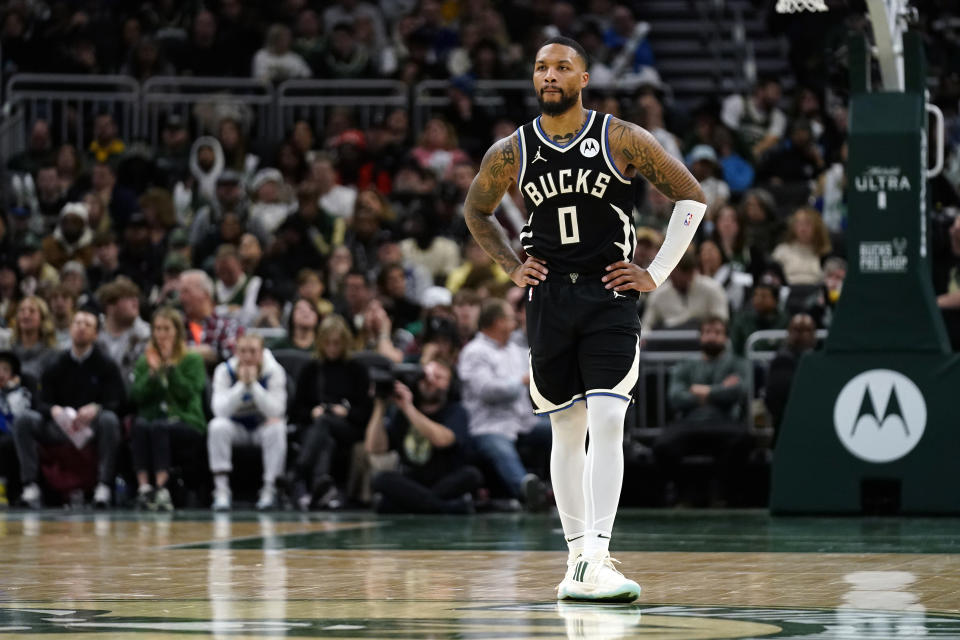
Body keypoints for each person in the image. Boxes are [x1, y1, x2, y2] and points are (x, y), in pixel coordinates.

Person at [462, 36, 706, 602]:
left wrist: (655, 272)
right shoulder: (511, 151)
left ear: (584, 78)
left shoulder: (620, 136)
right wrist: (509, 265)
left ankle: (597, 552)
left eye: (562, 67)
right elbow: (476, 210)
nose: (550, 75)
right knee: (566, 430)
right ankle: (578, 561)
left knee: (608, 420)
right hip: (548, 298)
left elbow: (690, 197)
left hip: (608, 294)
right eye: (542, 67)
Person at [12, 309, 124, 509]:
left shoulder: (106, 365)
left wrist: (96, 408)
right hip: (59, 426)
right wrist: (53, 410)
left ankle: (104, 486)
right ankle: (30, 485)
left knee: (109, 420)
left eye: (87, 324)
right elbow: (41, 402)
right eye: (77, 323)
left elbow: (118, 401)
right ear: (70, 329)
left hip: (91, 428)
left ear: (96, 334)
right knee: (24, 420)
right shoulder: (55, 363)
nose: (81, 328)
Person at [458, 299, 549, 511]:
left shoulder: (515, 350)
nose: (515, 321)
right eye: (509, 317)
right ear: (498, 322)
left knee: (561, 430)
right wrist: (520, 381)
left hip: (522, 420)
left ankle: (569, 484)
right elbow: (486, 390)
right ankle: (528, 491)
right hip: (489, 425)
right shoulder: (474, 352)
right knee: (501, 450)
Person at [654, 316, 751, 506]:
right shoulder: (686, 364)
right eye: (707, 332)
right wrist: (719, 390)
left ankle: (721, 493)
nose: (712, 337)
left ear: (726, 338)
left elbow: (739, 392)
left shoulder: (738, 363)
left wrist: (701, 390)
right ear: (700, 337)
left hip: (724, 420)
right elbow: (675, 397)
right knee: (662, 445)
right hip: (689, 422)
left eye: (717, 333)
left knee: (743, 440)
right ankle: (685, 492)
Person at [365, 359, 480, 514]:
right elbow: (375, 448)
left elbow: (442, 440)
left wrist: (408, 408)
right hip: (413, 481)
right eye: (426, 376)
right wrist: (379, 406)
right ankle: (445, 508)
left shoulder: (456, 411)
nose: (430, 381)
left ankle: (416, 505)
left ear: (450, 385)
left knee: (472, 475)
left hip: (445, 481)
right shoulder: (401, 412)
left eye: (438, 377)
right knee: (380, 479)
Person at [289, 315, 372, 509]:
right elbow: (296, 410)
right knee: (325, 436)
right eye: (328, 343)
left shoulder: (357, 370)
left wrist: (345, 412)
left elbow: (366, 413)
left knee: (325, 424)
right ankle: (322, 488)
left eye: (337, 343)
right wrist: (312, 412)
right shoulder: (310, 369)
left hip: (349, 428)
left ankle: (298, 474)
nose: (332, 348)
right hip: (314, 428)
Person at [129, 308, 207, 511]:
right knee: (139, 426)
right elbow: (136, 395)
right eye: (157, 329)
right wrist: (153, 375)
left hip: (187, 419)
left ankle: (161, 488)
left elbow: (188, 393)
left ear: (177, 332)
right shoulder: (145, 361)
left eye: (166, 329)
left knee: (159, 428)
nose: (161, 334)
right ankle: (144, 488)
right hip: (154, 418)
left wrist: (170, 370)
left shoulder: (192, 359)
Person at [208, 333, 287, 511]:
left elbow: (277, 410)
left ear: (262, 352)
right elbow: (219, 410)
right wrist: (241, 386)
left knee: (277, 427)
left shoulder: (274, 371)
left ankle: (270, 489)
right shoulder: (224, 371)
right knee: (217, 426)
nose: (248, 357)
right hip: (236, 427)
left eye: (253, 351)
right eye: (243, 351)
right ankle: (221, 490)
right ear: (236, 352)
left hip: (262, 427)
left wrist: (254, 386)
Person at [641, 253, 729, 330]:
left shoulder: (712, 289)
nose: (672, 278)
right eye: (671, 273)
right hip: (669, 343)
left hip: (703, 343)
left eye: (676, 275)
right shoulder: (659, 294)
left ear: (691, 272)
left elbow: (721, 321)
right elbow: (646, 327)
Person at [765, 312, 817, 439]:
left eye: (807, 330)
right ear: (789, 332)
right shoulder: (782, 361)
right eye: (798, 330)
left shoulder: (817, 358)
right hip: (788, 426)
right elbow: (776, 402)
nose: (802, 335)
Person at [96, 277, 151, 387]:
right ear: (110, 306)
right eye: (128, 298)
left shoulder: (146, 334)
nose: (135, 301)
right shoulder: (95, 333)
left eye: (136, 297)